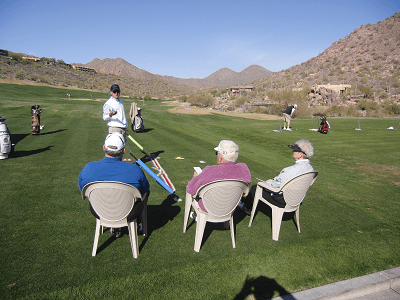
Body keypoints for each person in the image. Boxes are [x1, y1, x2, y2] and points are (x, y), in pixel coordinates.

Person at [78, 132, 150, 237]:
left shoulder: (88, 168)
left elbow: (83, 191)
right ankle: (140, 224)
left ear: (104, 148)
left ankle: (115, 226)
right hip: (129, 212)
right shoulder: (135, 169)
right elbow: (145, 189)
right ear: (124, 150)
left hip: (99, 211)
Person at [245, 139, 314, 210]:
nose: (293, 151)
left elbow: (279, 185)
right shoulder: (311, 169)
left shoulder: (291, 170)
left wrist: (268, 182)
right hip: (297, 199)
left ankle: (246, 208)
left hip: (283, 200)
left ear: (300, 154)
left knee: (255, 188)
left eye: (295, 150)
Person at [186, 140, 251, 214]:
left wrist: (195, 178)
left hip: (209, 208)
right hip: (231, 206)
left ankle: (196, 216)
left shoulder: (210, 170)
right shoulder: (243, 168)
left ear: (220, 157)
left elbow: (191, 189)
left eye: (217, 153)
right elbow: (245, 189)